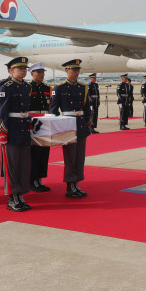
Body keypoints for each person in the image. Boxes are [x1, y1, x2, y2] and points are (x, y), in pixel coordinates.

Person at [50, 59, 92, 199]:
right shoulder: (59, 88)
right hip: (67, 124)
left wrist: (87, 122)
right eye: (73, 70)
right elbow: (54, 110)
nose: (76, 72)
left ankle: (76, 183)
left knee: (79, 157)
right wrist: (56, 128)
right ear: (66, 70)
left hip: (80, 124)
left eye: (78, 70)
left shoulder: (83, 87)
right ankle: (69, 186)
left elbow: (86, 108)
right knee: (70, 157)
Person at [0, 57, 33, 212]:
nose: (23, 71)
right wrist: (2, 133)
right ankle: (12, 197)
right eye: (20, 69)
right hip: (11, 130)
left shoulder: (26, 87)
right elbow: (2, 112)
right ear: (11, 71)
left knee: (24, 165)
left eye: (25, 68)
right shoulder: (6, 87)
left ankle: (21, 195)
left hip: (24, 129)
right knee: (12, 166)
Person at [28, 62, 52, 192]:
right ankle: (32, 180)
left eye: (43, 72)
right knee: (34, 153)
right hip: (33, 123)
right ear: (32, 74)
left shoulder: (47, 88)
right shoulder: (28, 87)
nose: (42, 75)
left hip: (45, 122)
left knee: (44, 152)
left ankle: (39, 179)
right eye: (39, 72)